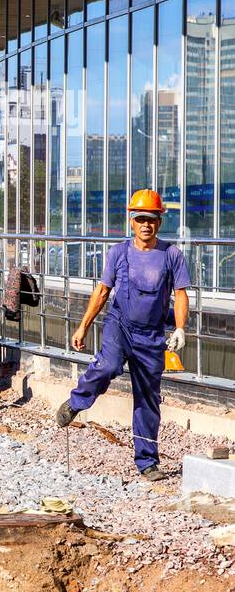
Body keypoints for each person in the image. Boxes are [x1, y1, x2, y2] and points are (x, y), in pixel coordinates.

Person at [56, 190, 189, 481]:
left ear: (159, 221)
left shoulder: (172, 255)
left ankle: (147, 462)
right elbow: (102, 291)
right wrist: (83, 326)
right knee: (108, 365)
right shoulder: (118, 252)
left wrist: (179, 327)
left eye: (151, 219)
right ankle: (76, 402)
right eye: (140, 219)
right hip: (120, 325)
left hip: (152, 335)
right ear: (132, 221)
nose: (146, 225)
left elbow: (180, 295)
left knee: (148, 398)